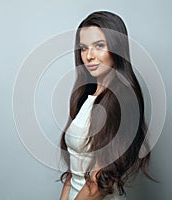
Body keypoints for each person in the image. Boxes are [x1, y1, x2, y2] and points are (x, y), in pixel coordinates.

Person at [59, 11, 152, 200]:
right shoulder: (85, 96)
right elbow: (74, 172)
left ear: (117, 48)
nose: (89, 56)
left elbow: (102, 180)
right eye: (83, 48)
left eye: (99, 46)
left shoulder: (123, 99)